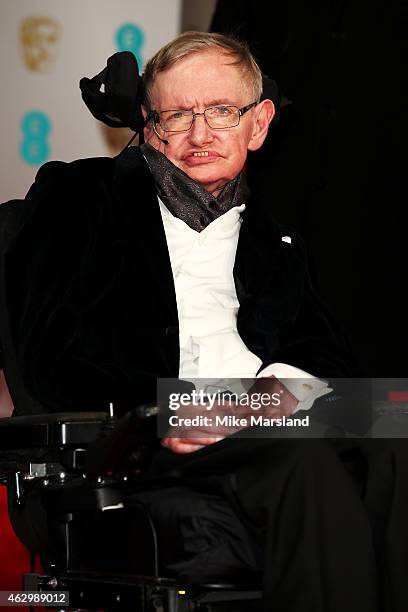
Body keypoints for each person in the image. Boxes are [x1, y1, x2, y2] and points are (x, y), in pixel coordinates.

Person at [0, 32, 380, 611]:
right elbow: (47, 360)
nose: (200, 135)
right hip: (148, 433)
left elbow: (329, 358)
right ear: (150, 125)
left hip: (265, 413)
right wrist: (185, 407)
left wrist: (270, 395)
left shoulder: (275, 239)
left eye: (223, 112)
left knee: (391, 417)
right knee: (303, 455)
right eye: (178, 115)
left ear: (259, 124)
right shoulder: (81, 199)